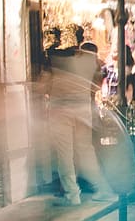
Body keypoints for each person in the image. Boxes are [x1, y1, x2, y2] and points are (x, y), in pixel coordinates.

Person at [43, 24, 116, 206]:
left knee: (65, 154)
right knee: (85, 152)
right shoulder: (90, 61)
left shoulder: (55, 59)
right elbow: (94, 85)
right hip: (83, 109)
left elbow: (46, 87)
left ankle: (72, 195)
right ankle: (104, 189)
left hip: (61, 110)